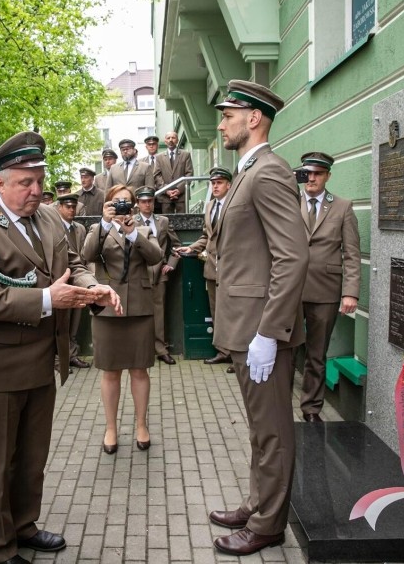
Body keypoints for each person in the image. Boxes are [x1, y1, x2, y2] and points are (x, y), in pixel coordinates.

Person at [0, 131, 120, 564]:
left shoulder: (47, 217)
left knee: (31, 457)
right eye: (25, 181)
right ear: (0, 184)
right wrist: (50, 299)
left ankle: (24, 526)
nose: (36, 190)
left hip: (40, 360)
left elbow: (74, 265)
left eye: (39, 180)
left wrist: (93, 287)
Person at [208, 80, 309, 556]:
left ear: (254, 118)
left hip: (261, 329)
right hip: (247, 326)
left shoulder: (267, 172)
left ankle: (268, 523)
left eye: (229, 114)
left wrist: (270, 332)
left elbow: (292, 257)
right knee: (259, 426)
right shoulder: (250, 171)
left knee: (273, 430)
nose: (222, 122)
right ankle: (258, 502)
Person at [82, 184, 163, 454]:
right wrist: (105, 223)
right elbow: (86, 255)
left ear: (135, 206)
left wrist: (132, 234)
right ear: (107, 204)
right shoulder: (98, 229)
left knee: (140, 370)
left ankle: (141, 424)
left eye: (127, 202)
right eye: (117, 202)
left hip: (139, 308)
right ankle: (111, 428)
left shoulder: (143, 230)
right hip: (107, 308)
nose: (122, 207)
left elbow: (155, 257)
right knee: (110, 371)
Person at [298, 152, 360, 422]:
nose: (312, 178)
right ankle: (277, 406)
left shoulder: (343, 206)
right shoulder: (288, 202)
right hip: (290, 289)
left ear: (327, 176)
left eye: (318, 174)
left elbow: (352, 253)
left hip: (325, 291)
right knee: (283, 351)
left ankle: (311, 408)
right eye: (308, 173)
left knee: (317, 353)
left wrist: (350, 292)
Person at [177, 166, 234, 372]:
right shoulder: (210, 206)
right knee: (216, 310)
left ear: (229, 184)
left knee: (235, 313)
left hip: (233, 269)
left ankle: (238, 355)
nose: (215, 186)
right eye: (213, 183)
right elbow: (206, 235)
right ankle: (222, 351)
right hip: (212, 268)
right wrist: (191, 247)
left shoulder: (236, 205)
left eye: (219, 182)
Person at [133, 186, 181, 365]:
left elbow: (176, 245)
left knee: (159, 313)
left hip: (159, 274)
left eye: (150, 201)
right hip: (139, 274)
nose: (147, 204)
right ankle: (141, 350)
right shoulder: (131, 221)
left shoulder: (163, 221)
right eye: (144, 201)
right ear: (138, 203)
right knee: (138, 313)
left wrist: (171, 264)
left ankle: (161, 349)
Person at [57, 192, 90, 369]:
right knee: (61, 321)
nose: (71, 210)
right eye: (67, 207)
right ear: (59, 207)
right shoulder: (53, 227)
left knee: (75, 320)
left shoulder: (80, 228)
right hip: (61, 279)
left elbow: (83, 253)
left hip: (77, 278)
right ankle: (58, 359)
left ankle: (72, 354)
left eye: (73, 207)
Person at [153, 131, 194, 214]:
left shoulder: (185, 155)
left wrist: (179, 190)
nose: (170, 140)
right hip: (165, 196)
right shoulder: (159, 157)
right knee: (166, 222)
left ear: (177, 140)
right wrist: (166, 190)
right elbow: (157, 175)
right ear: (165, 141)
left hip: (181, 195)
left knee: (183, 221)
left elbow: (189, 173)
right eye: (168, 138)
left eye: (173, 137)